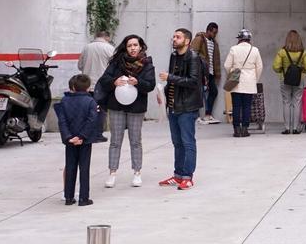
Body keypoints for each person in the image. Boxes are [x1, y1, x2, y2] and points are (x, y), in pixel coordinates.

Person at [95, 34, 156, 189]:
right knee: (115, 141)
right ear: (125, 48)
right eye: (129, 46)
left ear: (141, 47)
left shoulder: (147, 64)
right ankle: (112, 173)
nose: (132, 48)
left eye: (135, 45)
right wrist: (114, 81)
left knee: (135, 141)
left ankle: (137, 172)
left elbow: (150, 85)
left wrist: (138, 82)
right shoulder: (116, 62)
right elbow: (104, 80)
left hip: (137, 107)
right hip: (116, 106)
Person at [158, 27, 202, 190]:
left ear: (187, 41)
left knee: (188, 142)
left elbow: (193, 81)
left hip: (187, 107)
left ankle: (187, 177)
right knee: (177, 142)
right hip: (173, 105)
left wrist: (170, 77)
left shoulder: (193, 57)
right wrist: (163, 93)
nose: (174, 39)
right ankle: (178, 175)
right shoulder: (174, 56)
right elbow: (174, 81)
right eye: (174, 36)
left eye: (178, 37)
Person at [54, 73, 99, 207]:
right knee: (84, 168)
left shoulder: (64, 101)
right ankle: (84, 198)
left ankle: (68, 197)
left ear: (72, 87)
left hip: (70, 140)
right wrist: (82, 136)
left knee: (70, 167)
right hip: (84, 140)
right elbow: (92, 121)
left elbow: (62, 121)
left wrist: (69, 137)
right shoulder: (90, 101)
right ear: (88, 87)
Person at [223, 28, 263, 138]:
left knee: (236, 106)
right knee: (247, 106)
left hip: (236, 81)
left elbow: (227, 65)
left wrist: (232, 74)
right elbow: (259, 67)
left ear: (239, 39)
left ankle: (237, 130)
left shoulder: (233, 49)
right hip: (249, 81)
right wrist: (255, 79)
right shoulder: (255, 50)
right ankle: (245, 129)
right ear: (249, 39)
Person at [272, 30, 306, 135]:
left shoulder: (282, 52)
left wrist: (283, 71)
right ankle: (295, 128)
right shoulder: (303, 53)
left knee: (286, 102)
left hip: (285, 80)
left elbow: (275, 67)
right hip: (299, 80)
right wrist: (302, 71)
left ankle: (287, 128)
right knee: (297, 103)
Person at [78, 30, 113, 142]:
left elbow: (80, 65)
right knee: (101, 110)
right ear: (107, 37)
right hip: (102, 85)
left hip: (86, 84)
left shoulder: (86, 48)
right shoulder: (109, 48)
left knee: (87, 110)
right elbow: (114, 67)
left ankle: (86, 134)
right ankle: (97, 134)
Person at [190, 23, 222, 124]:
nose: (215, 35)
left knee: (214, 92)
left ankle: (208, 115)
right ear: (208, 31)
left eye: (216, 33)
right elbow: (192, 53)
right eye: (214, 32)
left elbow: (215, 59)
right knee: (198, 93)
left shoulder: (214, 43)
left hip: (210, 72)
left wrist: (217, 73)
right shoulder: (199, 39)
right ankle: (196, 116)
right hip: (200, 71)